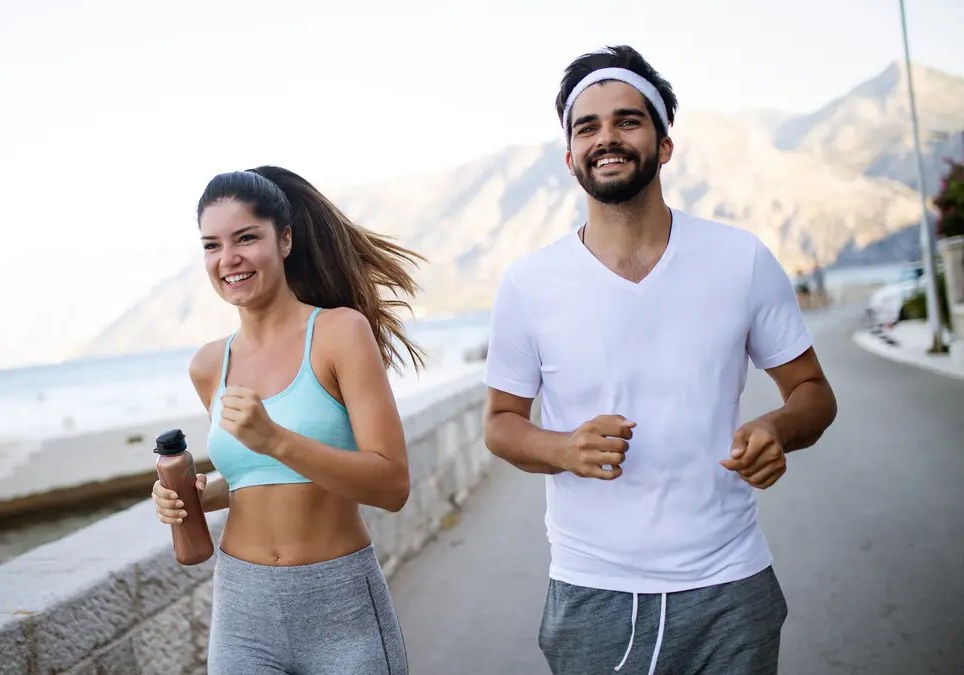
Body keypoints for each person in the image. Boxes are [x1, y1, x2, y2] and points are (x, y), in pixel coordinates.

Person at [482, 46, 838, 675]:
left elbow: (812, 391)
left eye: (627, 120)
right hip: (593, 593)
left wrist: (776, 428)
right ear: (569, 158)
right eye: (586, 127)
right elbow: (501, 424)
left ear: (664, 144)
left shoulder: (741, 259)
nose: (606, 138)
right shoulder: (528, 284)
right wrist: (564, 448)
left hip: (731, 584)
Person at [151, 165, 424, 674]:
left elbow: (392, 485)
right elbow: (250, 481)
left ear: (285, 240)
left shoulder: (340, 332)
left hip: (340, 604)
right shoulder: (210, 365)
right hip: (243, 609)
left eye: (246, 238)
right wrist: (189, 493)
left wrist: (275, 438)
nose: (228, 259)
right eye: (212, 245)